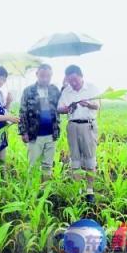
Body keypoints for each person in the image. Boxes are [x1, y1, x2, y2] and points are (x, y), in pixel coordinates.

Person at [58, 65, 100, 203]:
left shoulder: (92, 88)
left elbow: (97, 106)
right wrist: (67, 108)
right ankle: (78, 190)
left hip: (88, 125)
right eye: (70, 81)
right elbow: (59, 109)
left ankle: (89, 191)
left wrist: (88, 104)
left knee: (89, 159)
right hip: (72, 126)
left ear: (81, 76)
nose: (73, 83)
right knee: (75, 159)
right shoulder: (66, 91)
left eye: (75, 80)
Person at [19, 64, 61, 182]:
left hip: (51, 134)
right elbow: (22, 112)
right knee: (33, 165)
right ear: (37, 75)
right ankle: (33, 191)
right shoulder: (28, 91)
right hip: (34, 135)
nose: (45, 79)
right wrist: (23, 132)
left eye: (48, 76)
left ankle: (44, 190)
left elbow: (62, 105)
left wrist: (64, 87)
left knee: (48, 165)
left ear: (51, 76)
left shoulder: (54, 90)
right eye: (42, 76)